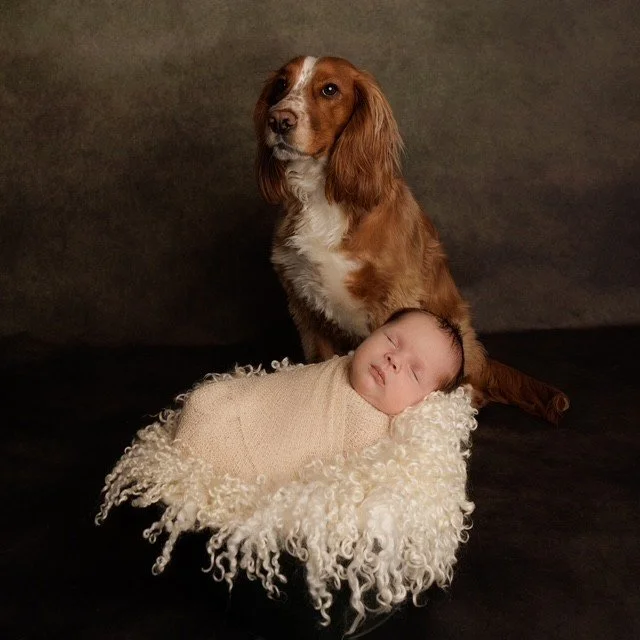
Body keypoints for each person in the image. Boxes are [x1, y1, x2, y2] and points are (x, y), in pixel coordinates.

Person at [174, 308, 464, 485]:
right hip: (244, 408)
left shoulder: (373, 430)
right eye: (392, 340)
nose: (394, 359)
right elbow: (284, 389)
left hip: (256, 457)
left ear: (424, 404)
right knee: (210, 401)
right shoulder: (341, 365)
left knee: (227, 446)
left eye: (414, 372)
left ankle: (222, 453)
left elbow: (347, 484)